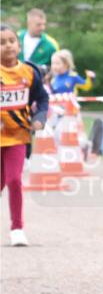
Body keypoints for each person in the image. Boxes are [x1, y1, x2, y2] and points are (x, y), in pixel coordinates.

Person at [1, 25, 49, 246]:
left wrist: (39, 117)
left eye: (11, 40)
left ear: (19, 46)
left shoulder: (29, 72)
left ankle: (17, 228)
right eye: (2, 42)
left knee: (14, 179)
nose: (8, 45)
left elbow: (42, 97)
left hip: (18, 136)